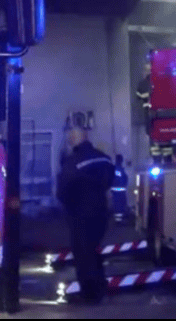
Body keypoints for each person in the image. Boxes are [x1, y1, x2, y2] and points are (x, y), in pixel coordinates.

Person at [56, 127, 115, 304]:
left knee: (82, 253)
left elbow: (62, 190)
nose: (68, 142)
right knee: (94, 249)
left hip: (80, 215)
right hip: (100, 212)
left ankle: (90, 294)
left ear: (75, 139)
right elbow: (110, 179)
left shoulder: (72, 162)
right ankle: (100, 287)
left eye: (69, 138)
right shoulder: (104, 158)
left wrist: (70, 204)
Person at [111, 154, 129, 224]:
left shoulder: (115, 168)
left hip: (117, 191)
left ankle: (119, 220)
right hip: (119, 191)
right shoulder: (119, 169)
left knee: (118, 206)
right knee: (119, 206)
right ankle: (119, 221)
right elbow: (122, 179)